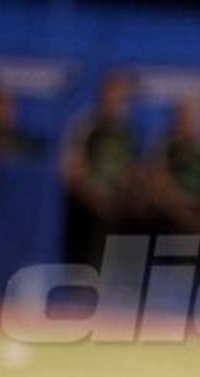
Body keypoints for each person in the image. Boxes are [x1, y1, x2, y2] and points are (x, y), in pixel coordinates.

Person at [61, 71, 140, 269]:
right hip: (86, 201)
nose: (115, 101)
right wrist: (93, 194)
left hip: (118, 203)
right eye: (112, 94)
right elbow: (72, 167)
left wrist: (124, 192)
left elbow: (134, 171)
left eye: (122, 96)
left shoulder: (130, 132)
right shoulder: (86, 126)